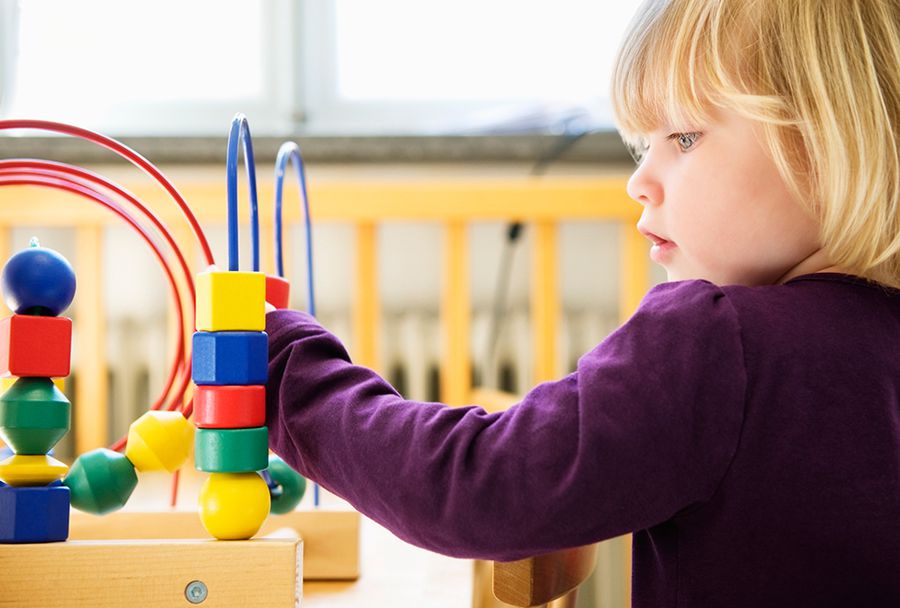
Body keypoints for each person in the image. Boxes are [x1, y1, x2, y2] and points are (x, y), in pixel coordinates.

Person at [265, 0, 900, 605]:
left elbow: (478, 487)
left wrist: (288, 374)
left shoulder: (717, 342)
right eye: (639, 145)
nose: (638, 180)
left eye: (682, 137)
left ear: (826, 139)